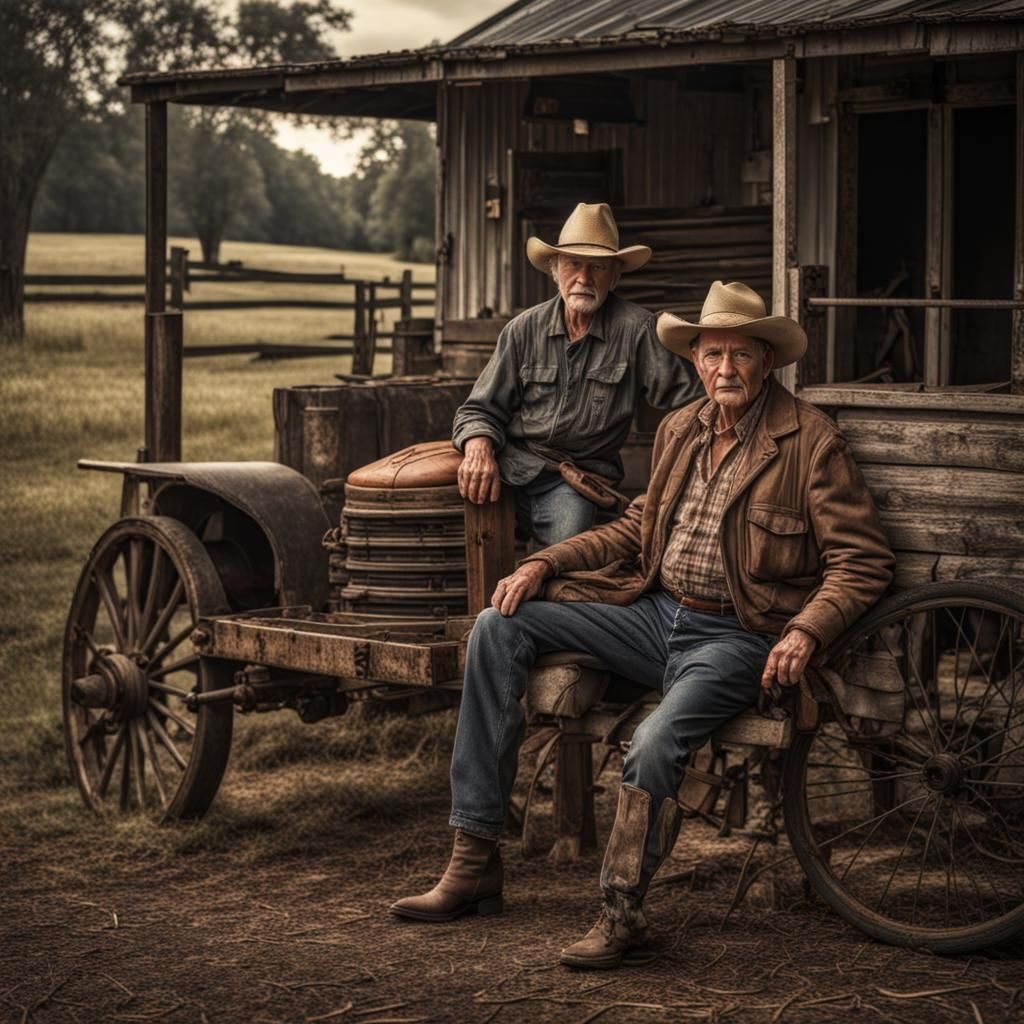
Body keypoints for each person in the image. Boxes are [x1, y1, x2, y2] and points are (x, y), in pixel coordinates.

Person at [394, 280, 894, 970]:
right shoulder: (680, 428)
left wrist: (805, 631)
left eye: (740, 355)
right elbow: (636, 528)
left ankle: (620, 909)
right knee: (497, 623)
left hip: (736, 638)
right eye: (712, 354)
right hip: (654, 616)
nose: (724, 369)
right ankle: (473, 859)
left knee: (655, 740)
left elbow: (861, 562)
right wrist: (547, 564)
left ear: (766, 360)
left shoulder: (810, 442)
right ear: (694, 360)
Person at [452, 202, 700, 546]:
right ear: (555, 269)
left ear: (614, 277)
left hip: (574, 481)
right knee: (446, 522)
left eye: (597, 267)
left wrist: (675, 471)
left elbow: (696, 401)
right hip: (509, 467)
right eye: (573, 264)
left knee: (568, 550)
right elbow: (478, 410)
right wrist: (478, 447)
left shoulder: (637, 330)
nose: (583, 279)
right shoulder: (523, 329)